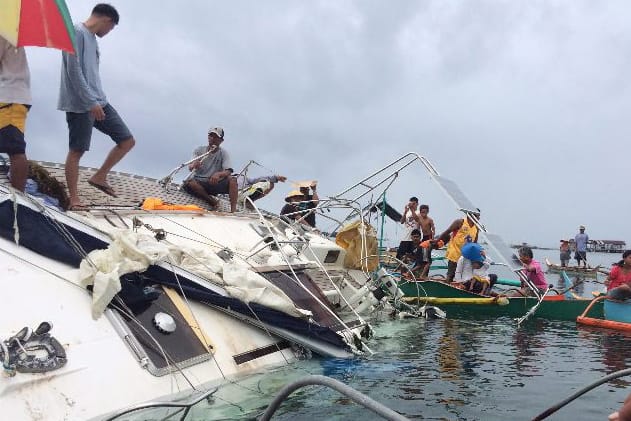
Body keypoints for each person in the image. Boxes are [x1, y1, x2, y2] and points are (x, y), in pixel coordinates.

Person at [58, 4, 135, 209]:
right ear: (106, 20)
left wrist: (97, 100)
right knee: (77, 150)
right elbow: (73, 71)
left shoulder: (93, 40)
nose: (108, 33)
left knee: (127, 141)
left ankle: (100, 176)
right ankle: (74, 200)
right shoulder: (76, 32)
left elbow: (92, 74)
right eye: (110, 29)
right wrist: (90, 101)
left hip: (99, 101)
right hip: (80, 104)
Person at [0, 37, 30, 192]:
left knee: (14, 147)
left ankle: (17, 197)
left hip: (9, 98)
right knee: (12, 145)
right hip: (13, 97)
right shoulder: (10, 33)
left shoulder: (3, 33)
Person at [183, 127, 237, 212]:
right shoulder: (199, 150)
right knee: (189, 182)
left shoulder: (224, 153)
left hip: (214, 182)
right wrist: (194, 165)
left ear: (221, 140)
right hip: (199, 183)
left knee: (233, 180)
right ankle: (213, 202)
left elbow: (228, 171)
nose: (212, 138)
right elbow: (190, 167)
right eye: (211, 136)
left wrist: (218, 174)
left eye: (216, 137)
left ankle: (233, 211)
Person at [436, 209, 480, 282]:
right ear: (470, 215)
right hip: (455, 252)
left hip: (465, 256)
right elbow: (447, 232)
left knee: (463, 276)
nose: (478, 218)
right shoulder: (460, 222)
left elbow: (475, 243)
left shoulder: (477, 227)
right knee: (451, 274)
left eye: (478, 216)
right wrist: (436, 241)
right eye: (476, 216)